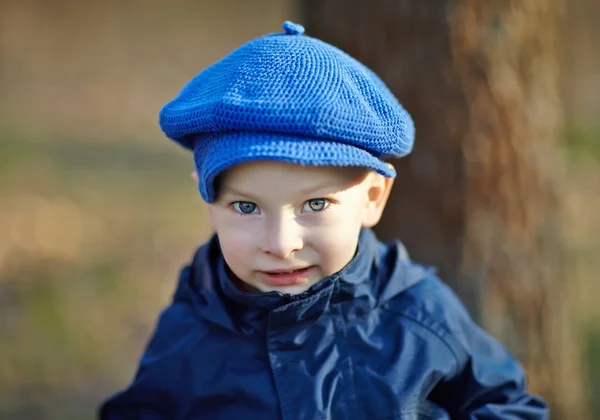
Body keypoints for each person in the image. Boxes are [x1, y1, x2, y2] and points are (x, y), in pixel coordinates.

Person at [99, 21, 548, 419]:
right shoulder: (193, 323)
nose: (281, 243)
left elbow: (510, 405)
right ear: (208, 201)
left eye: (314, 205)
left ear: (372, 199)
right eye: (247, 207)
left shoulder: (420, 317)